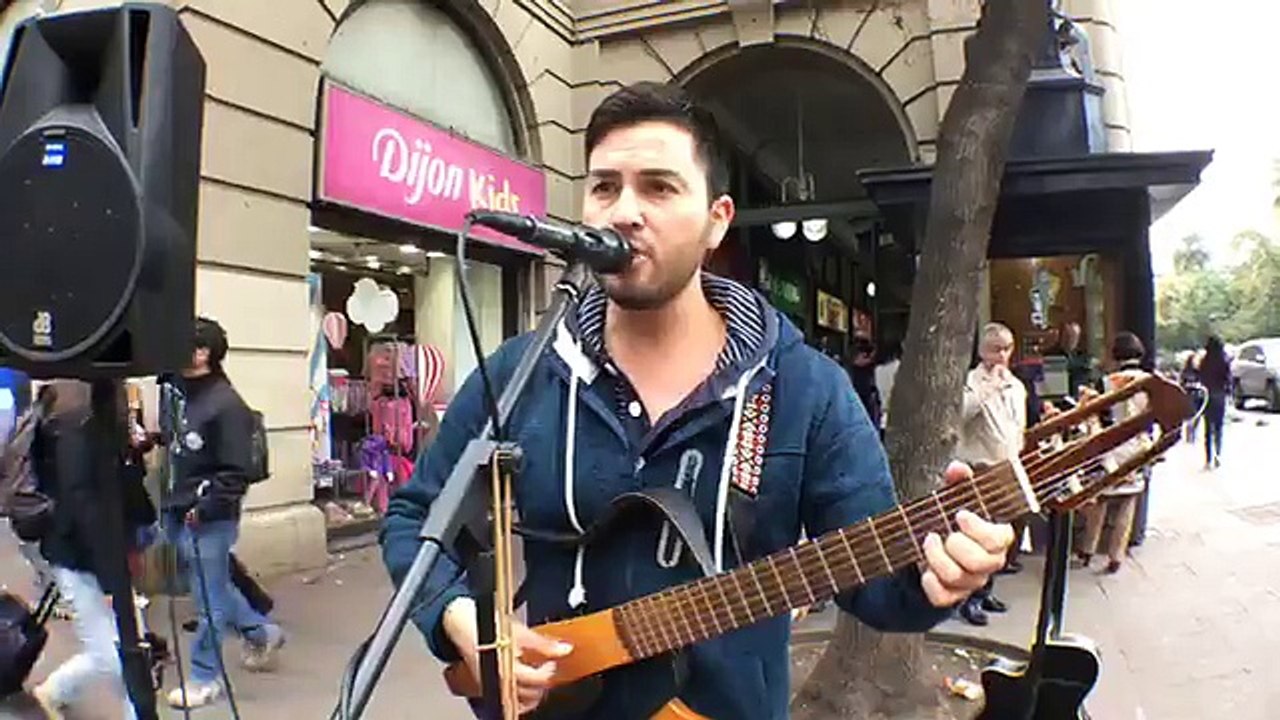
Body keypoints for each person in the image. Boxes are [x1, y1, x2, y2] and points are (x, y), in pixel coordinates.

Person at [381, 81, 1015, 719]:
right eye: (605, 187)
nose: (624, 211)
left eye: (658, 187)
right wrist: (461, 619)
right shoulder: (525, 370)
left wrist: (942, 576)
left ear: (718, 221)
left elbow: (877, 588)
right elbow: (414, 518)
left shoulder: (806, 389)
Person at [163, 318, 285, 709]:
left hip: (208, 515)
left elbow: (236, 473)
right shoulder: (178, 388)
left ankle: (204, 677)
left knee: (208, 602)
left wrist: (206, 507)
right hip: (177, 506)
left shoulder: (227, 405)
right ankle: (261, 632)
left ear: (202, 354)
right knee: (210, 588)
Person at [27, 381, 158, 719]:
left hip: (101, 550)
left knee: (128, 651)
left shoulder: (92, 411)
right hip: (81, 556)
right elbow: (84, 504)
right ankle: (54, 692)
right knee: (116, 656)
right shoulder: (75, 422)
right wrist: (111, 578)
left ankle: (54, 692)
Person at [954, 322, 1027, 626]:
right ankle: (968, 599)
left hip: (1006, 467)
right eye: (995, 349)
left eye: (1007, 349)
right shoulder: (971, 381)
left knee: (1000, 536)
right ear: (982, 350)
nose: (1001, 355)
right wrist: (987, 389)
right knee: (977, 538)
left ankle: (986, 592)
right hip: (978, 469)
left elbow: (1018, 426)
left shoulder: (1017, 386)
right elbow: (961, 413)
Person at [1075, 332, 1150, 574]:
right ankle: (1116, 555)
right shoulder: (1151, 381)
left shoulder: (1107, 382)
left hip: (1112, 445)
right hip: (1138, 445)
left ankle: (1088, 549)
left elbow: (1095, 415)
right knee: (1128, 502)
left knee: (1102, 499)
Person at [1198, 335, 1231, 469]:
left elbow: (1200, 376)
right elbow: (1228, 378)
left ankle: (1208, 458)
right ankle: (1218, 454)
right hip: (1220, 395)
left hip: (1207, 395)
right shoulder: (1224, 360)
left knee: (1207, 429)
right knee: (1219, 428)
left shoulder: (1205, 360)